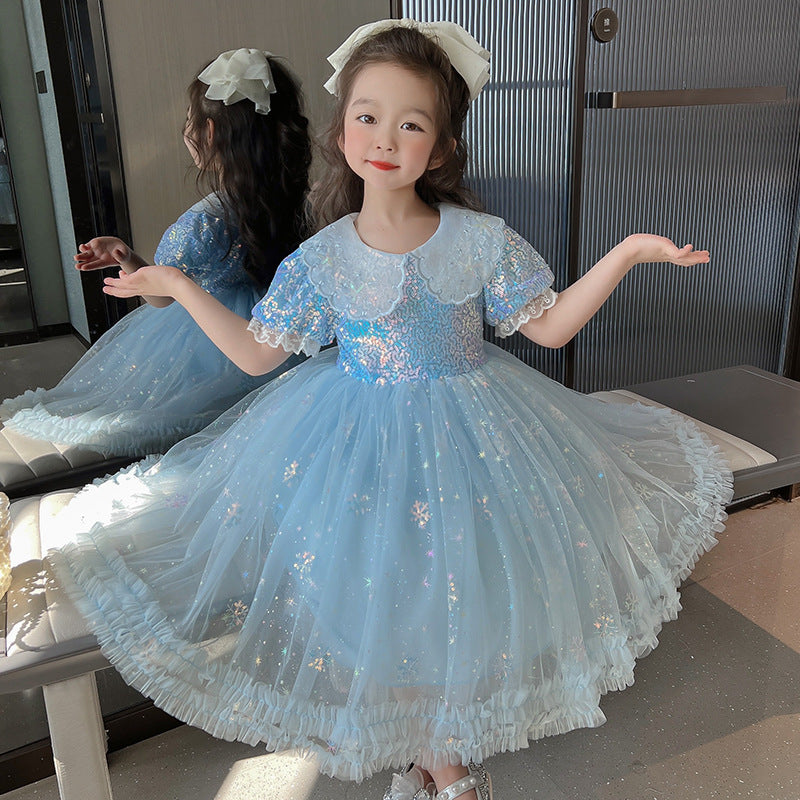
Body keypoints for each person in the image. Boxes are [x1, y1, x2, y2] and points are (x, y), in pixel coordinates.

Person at [35, 21, 732, 800]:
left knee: (457, 587)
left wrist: (631, 249)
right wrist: (180, 285)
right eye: (367, 116)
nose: (385, 138)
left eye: (411, 123)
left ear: (439, 148)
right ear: (340, 132)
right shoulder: (324, 255)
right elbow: (260, 354)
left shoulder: (482, 240)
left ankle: (438, 760)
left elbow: (552, 324)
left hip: (476, 437)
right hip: (353, 442)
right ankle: (437, 760)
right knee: (377, 593)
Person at [0, 48, 311, 459]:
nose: (185, 130)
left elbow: (163, 296)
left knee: (120, 416)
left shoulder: (203, 221)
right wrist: (129, 256)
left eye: (190, 120)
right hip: (264, 339)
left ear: (211, 133)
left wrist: (132, 269)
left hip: (203, 344)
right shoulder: (291, 200)